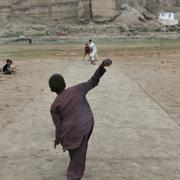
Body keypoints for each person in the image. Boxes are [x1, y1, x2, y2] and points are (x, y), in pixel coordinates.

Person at [49, 59, 112, 180]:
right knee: (77, 157)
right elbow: (93, 81)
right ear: (64, 83)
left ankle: (74, 171)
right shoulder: (77, 89)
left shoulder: (54, 106)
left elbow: (58, 127)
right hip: (86, 125)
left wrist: (57, 139)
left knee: (77, 155)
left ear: (52, 89)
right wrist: (101, 66)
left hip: (73, 132)